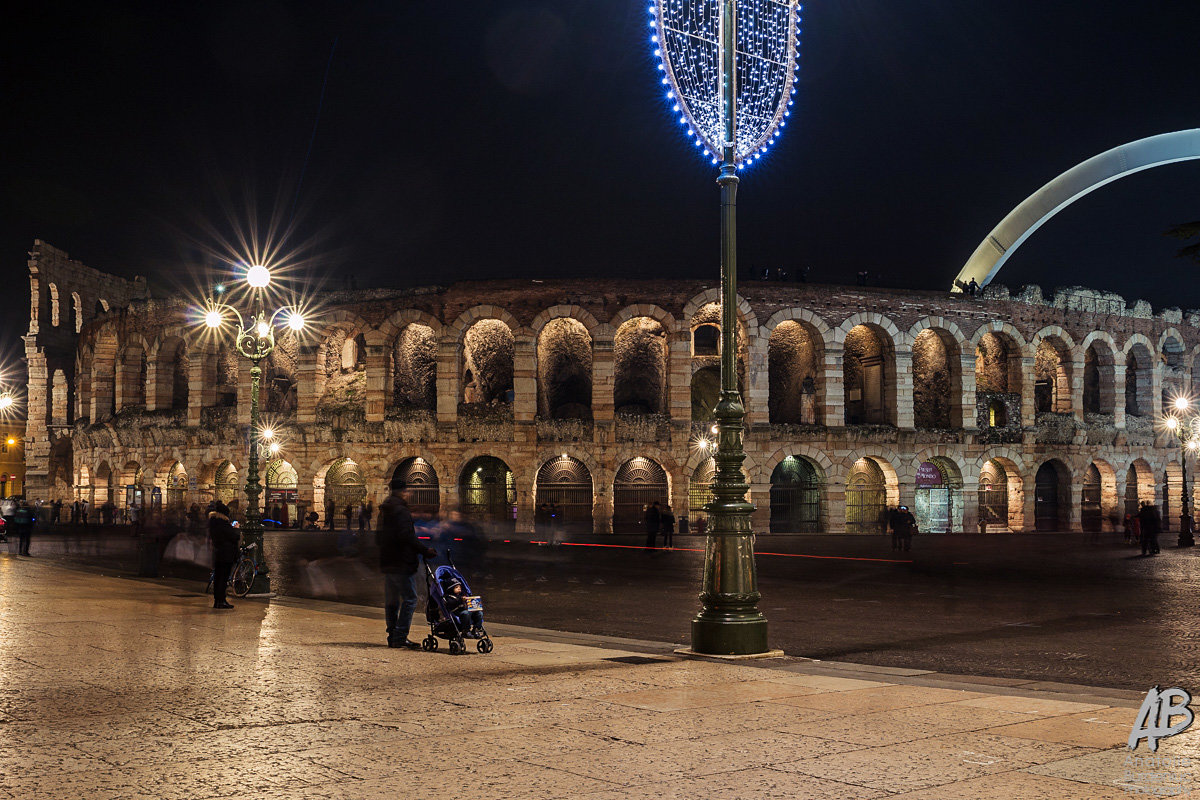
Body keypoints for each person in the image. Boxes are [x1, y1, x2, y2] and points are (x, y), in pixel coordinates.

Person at [378, 477, 437, 649]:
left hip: (388, 561)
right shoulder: (401, 511)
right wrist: (425, 550)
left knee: (392, 600)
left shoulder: (385, 510)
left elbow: (378, 537)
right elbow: (407, 537)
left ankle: (392, 635)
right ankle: (400, 636)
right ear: (403, 492)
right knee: (410, 599)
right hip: (401, 562)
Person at [208, 500, 239, 609]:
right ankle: (221, 600)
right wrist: (236, 529)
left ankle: (217, 601)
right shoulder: (223, 524)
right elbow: (234, 537)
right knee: (223, 578)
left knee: (218, 577)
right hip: (226, 553)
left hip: (218, 552)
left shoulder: (214, 522)